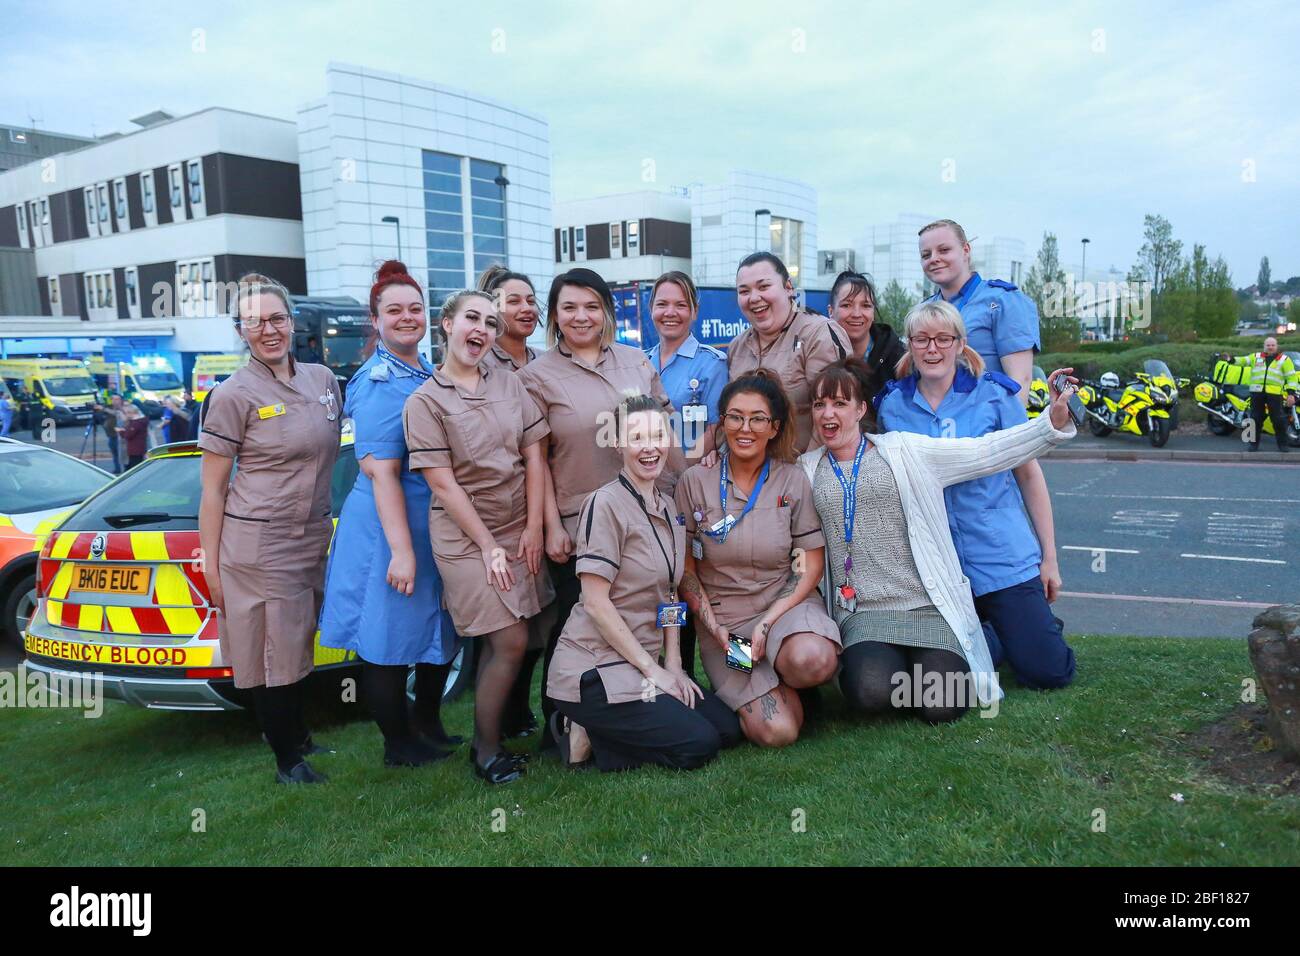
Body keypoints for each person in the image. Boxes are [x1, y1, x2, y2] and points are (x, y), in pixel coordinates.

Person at [801, 357, 1077, 723]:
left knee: (942, 705)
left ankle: (981, 638)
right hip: (864, 612)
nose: (827, 414)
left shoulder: (904, 451)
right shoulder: (806, 469)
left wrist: (1049, 424)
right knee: (870, 691)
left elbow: (985, 452)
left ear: (861, 409)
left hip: (927, 605)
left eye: (839, 403)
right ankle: (899, 664)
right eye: (819, 405)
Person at [517, 267, 683, 751]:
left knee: (656, 612)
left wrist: (685, 491)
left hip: (648, 514)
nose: (581, 316)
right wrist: (550, 525)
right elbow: (538, 459)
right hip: (579, 520)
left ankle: (657, 704)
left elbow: (664, 435)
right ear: (554, 316)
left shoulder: (637, 363)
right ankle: (567, 722)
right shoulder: (536, 376)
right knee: (582, 624)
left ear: (607, 312)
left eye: (591, 306)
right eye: (569, 307)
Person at [876, 300, 1075, 690]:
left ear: (960, 344)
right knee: (942, 673)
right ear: (909, 345)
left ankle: (1018, 628)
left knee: (1048, 673)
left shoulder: (994, 395)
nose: (932, 349)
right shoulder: (892, 406)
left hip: (1000, 557)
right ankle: (992, 635)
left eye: (943, 339)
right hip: (940, 568)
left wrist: (1049, 559)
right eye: (921, 339)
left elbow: (1029, 474)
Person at [197, 273, 343, 784]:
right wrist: (210, 564)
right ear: (241, 331)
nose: (269, 330)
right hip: (259, 543)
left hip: (311, 535)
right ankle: (287, 759)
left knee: (299, 638)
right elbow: (213, 491)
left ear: (292, 320)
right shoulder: (232, 395)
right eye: (255, 322)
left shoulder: (322, 380)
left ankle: (298, 736)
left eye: (277, 318)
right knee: (270, 647)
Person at [548, 394, 742, 771]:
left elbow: (670, 594)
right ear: (619, 444)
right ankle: (582, 729)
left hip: (640, 666)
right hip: (595, 669)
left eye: (656, 435)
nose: (649, 447)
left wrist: (673, 665)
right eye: (637, 438)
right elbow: (595, 603)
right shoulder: (604, 505)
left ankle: (602, 730)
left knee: (726, 729)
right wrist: (652, 671)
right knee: (698, 746)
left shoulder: (668, 508)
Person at [405, 288, 551, 783]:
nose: (482, 331)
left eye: (491, 323)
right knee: (508, 638)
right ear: (446, 324)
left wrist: (534, 526)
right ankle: (485, 750)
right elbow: (441, 483)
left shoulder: (509, 381)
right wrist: (489, 546)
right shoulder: (425, 402)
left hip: (517, 524)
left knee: (531, 631)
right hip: (466, 536)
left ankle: (508, 725)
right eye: (472, 319)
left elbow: (534, 452)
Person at [318, 261, 460, 769]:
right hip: (389, 523)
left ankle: (428, 726)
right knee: (386, 638)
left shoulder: (423, 371)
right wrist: (401, 551)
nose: (407, 317)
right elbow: (382, 472)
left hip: (429, 519)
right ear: (374, 320)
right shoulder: (379, 380)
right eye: (394, 310)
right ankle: (399, 745)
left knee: (432, 631)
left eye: (415, 308)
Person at [676, 370, 839, 747]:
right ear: (722, 422)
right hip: (726, 622)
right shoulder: (694, 482)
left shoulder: (791, 480)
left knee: (812, 660)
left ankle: (789, 671)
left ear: (774, 427)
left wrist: (767, 623)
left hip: (783, 609)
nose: (744, 428)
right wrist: (714, 627)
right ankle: (779, 689)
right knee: (777, 732)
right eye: (735, 416)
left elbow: (809, 563)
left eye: (757, 418)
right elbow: (685, 570)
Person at [476, 263, 551, 738]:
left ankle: (521, 711)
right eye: (512, 301)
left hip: (542, 503)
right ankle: (496, 723)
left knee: (540, 622)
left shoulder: (543, 361)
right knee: (506, 627)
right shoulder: (482, 366)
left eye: (530, 300)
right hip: (500, 509)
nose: (525, 309)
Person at [646, 270, 727, 680]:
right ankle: (670, 675)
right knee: (663, 588)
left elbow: (715, 429)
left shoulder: (711, 365)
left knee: (698, 587)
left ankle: (726, 672)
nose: (670, 312)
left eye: (680, 304)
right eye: (662, 303)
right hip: (649, 497)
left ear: (694, 311)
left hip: (693, 497)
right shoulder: (640, 363)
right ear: (651, 309)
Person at [728, 252, 849, 453]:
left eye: (764, 286)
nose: (754, 297)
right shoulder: (736, 346)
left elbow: (837, 415)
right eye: (744, 291)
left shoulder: (818, 335)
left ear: (788, 288)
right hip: (748, 473)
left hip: (805, 470)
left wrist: (803, 473)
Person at [918, 219, 1039, 402]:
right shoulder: (923, 311)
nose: (934, 258)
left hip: (987, 425)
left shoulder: (1003, 301)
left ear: (966, 250)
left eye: (944, 250)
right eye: (926, 254)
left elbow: (1019, 381)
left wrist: (1009, 428)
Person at [827, 270, 905, 399]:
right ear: (831, 311)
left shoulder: (897, 357)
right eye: (846, 305)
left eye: (866, 305)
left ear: (873, 312)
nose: (857, 314)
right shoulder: (817, 352)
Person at [1221, 337, 1298, 453]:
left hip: (1275, 394)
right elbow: (1243, 361)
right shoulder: (1256, 357)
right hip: (1257, 393)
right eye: (1268, 345)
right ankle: (1253, 445)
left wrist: (1291, 394)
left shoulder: (1284, 360)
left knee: (1278, 420)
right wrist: (1230, 359)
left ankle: (1283, 445)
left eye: (1272, 345)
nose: (1270, 347)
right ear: (1264, 346)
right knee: (1255, 419)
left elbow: (1291, 377)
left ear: (1276, 346)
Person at [477, 263, 541, 373]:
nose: (527, 308)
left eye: (531, 301)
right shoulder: (479, 365)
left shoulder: (545, 360)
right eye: (514, 301)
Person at [94, 394, 125, 473]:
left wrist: (103, 409)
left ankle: (124, 469)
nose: (115, 401)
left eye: (117, 399)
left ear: (121, 400)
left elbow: (116, 413)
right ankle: (117, 469)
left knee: (122, 454)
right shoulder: (109, 407)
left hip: (120, 436)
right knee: (114, 454)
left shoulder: (124, 408)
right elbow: (101, 418)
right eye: (113, 399)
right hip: (111, 435)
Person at [119, 404, 148, 469]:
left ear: (131, 413)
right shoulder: (141, 421)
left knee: (135, 468)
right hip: (139, 448)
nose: (125, 415)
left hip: (135, 450)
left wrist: (121, 431)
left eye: (126, 413)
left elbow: (128, 435)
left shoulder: (136, 423)